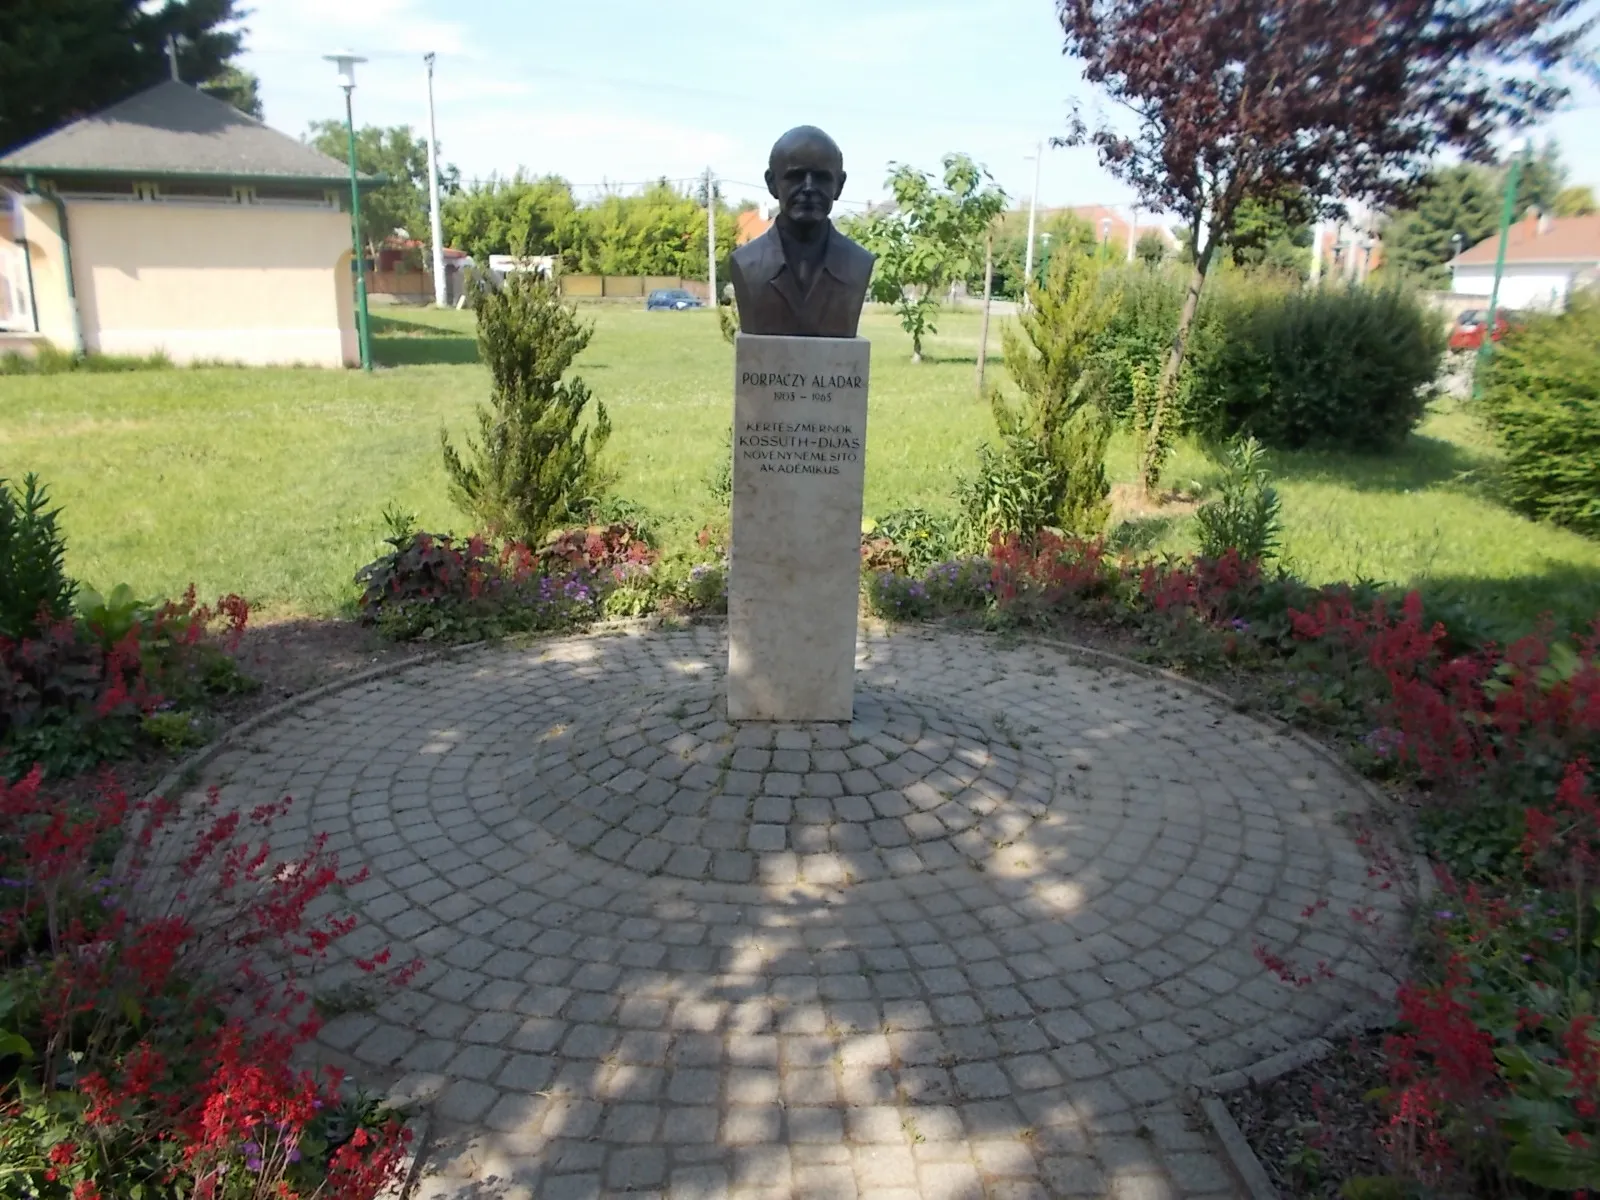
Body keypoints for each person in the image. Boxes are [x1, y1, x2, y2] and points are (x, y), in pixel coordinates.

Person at [729, 126, 875, 338]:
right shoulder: (747, 263)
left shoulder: (858, 263)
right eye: (795, 176)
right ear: (772, 183)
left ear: (839, 185)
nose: (808, 188)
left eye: (821, 177)